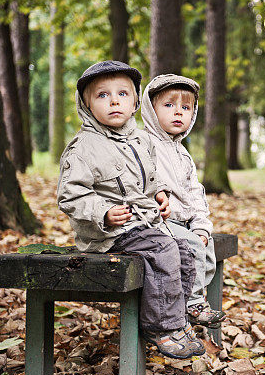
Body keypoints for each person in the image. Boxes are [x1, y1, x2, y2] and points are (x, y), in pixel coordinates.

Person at [57, 60, 204, 359]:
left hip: (142, 223)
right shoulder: (84, 147)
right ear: (85, 105)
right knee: (163, 248)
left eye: (122, 94)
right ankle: (162, 327)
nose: (113, 101)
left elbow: (148, 179)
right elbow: (70, 195)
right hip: (108, 234)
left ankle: (179, 319)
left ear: (136, 102)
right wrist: (103, 212)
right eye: (102, 95)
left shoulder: (140, 140)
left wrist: (159, 196)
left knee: (184, 248)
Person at [140, 74, 225, 330]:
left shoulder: (183, 154)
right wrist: (156, 195)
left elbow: (194, 194)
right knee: (191, 248)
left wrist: (201, 226)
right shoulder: (143, 144)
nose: (178, 112)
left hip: (185, 221)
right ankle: (193, 304)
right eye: (169, 105)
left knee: (205, 248)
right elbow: (139, 181)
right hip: (159, 222)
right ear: (151, 110)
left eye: (185, 108)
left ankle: (192, 299)